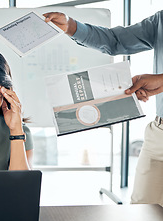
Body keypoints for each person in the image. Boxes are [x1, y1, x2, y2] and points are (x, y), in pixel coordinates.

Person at [44, 11, 163, 205]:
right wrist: (72, 26)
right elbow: (116, 41)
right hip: (159, 131)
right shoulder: (161, 20)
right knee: (142, 211)